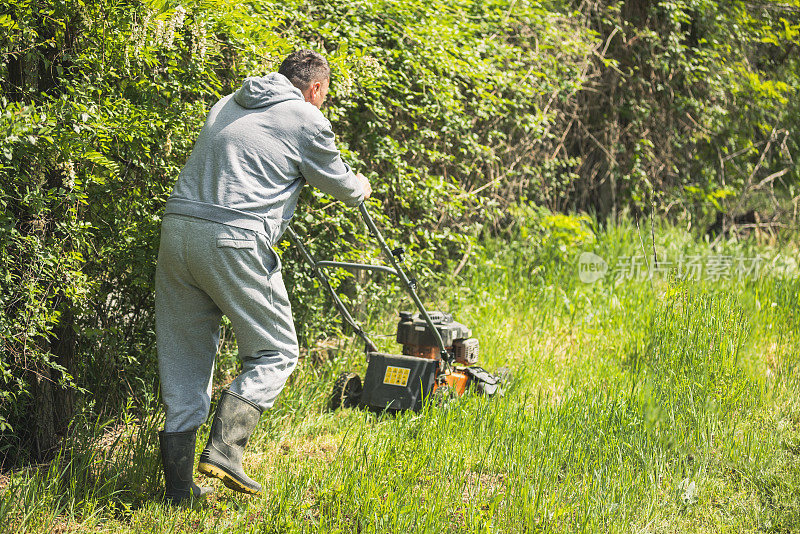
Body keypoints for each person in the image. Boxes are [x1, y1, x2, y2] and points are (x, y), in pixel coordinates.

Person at [155, 49, 371, 504]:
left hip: (176, 233)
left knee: (184, 360)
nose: (323, 103)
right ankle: (225, 450)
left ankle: (177, 492)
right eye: (325, 96)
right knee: (276, 349)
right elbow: (341, 185)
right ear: (315, 89)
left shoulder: (228, 102)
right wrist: (361, 185)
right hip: (234, 239)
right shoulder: (304, 117)